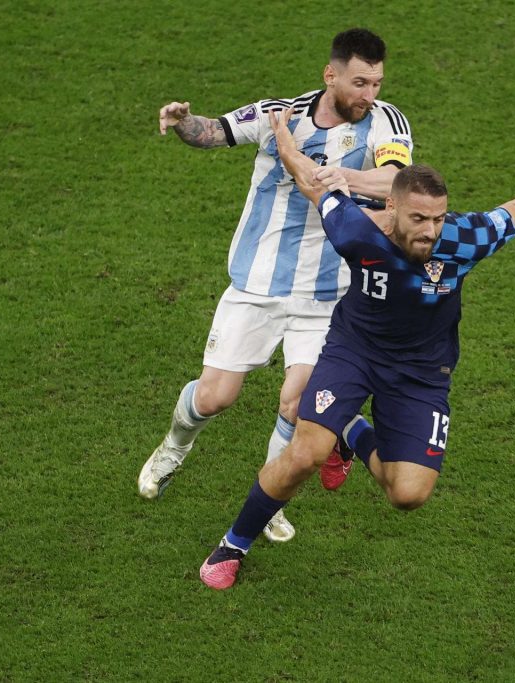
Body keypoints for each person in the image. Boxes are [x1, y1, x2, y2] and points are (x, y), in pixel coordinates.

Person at [198, 106, 515, 589]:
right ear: (391, 208)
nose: (430, 230)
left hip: (421, 374)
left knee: (407, 494)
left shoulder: (462, 239)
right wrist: (284, 139)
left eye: (437, 218)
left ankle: (350, 428)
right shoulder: (356, 230)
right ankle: (234, 544)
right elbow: (312, 181)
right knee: (304, 455)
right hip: (355, 353)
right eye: (418, 219)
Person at [139, 29, 414, 543]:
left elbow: (396, 181)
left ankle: (269, 501)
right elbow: (213, 131)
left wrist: (330, 178)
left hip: (329, 295)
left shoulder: (385, 122)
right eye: (359, 83)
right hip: (256, 285)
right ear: (330, 76)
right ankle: (174, 447)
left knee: (298, 402)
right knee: (216, 397)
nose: (369, 95)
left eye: (376, 83)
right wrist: (181, 121)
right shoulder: (278, 115)